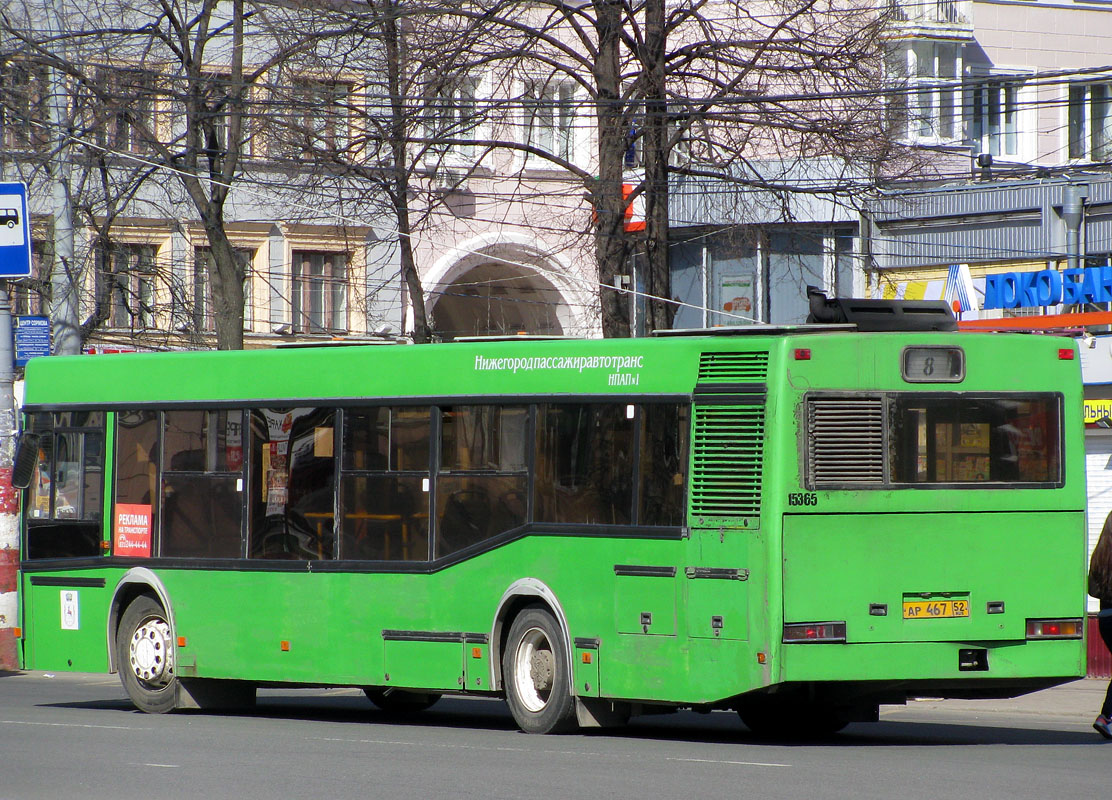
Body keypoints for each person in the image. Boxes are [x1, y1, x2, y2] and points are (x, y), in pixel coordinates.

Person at [1088, 511, 1112, 739]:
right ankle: (1106, 717)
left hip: (1105, 618)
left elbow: (1092, 590)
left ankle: (1106, 717)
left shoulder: (1100, 557)